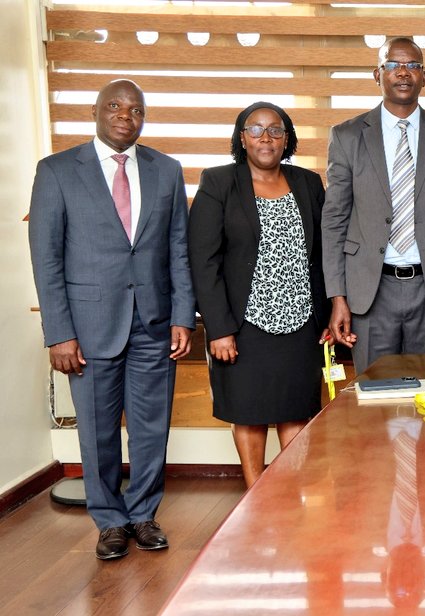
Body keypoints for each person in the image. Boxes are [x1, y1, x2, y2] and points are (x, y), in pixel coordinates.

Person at [28, 79, 194, 559]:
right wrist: (59, 333)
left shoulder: (166, 169)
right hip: (89, 326)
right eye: (116, 107)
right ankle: (109, 521)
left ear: (144, 118)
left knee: (150, 427)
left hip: (155, 324)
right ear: (95, 111)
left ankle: (143, 514)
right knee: (97, 431)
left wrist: (183, 316)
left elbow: (177, 250)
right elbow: (47, 258)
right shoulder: (57, 171)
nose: (126, 115)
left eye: (136, 109)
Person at [189, 102, 332, 488]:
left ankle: (288, 494)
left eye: (275, 129)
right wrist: (218, 329)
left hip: (302, 320)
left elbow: (323, 254)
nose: (265, 138)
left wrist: (331, 309)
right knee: (249, 413)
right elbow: (203, 261)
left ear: (288, 139)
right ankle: (255, 495)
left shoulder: (308, 183)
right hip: (243, 324)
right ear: (242, 137)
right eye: (256, 129)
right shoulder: (218, 183)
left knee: (296, 410)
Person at [322, 37, 425, 374]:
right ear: (377, 74)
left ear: (424, 77)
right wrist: (338, 297)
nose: (404, 72)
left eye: (413, 65)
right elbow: (334, 220)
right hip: (370, 291)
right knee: (373, 401)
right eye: (393, 64)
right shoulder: (346, 136)